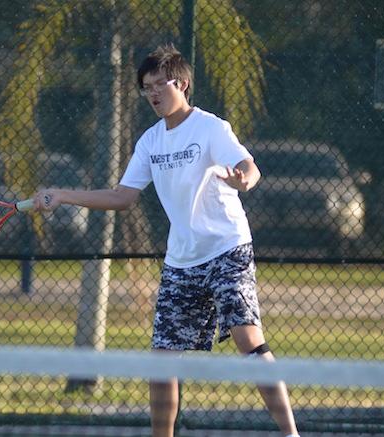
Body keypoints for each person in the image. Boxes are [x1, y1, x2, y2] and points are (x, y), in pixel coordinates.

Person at [33, 44, 299, 437]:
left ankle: (290, 435)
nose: (153, 93)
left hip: (227, 248)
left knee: (248, 340)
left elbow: (249, 167)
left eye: (161, 84)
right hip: (181, 262)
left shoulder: (211, 127)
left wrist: (244, 179)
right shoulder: (150, 142)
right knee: (161, 363)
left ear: (183, 84)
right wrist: (64, 194)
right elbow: (122, 197)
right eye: (146, 87)